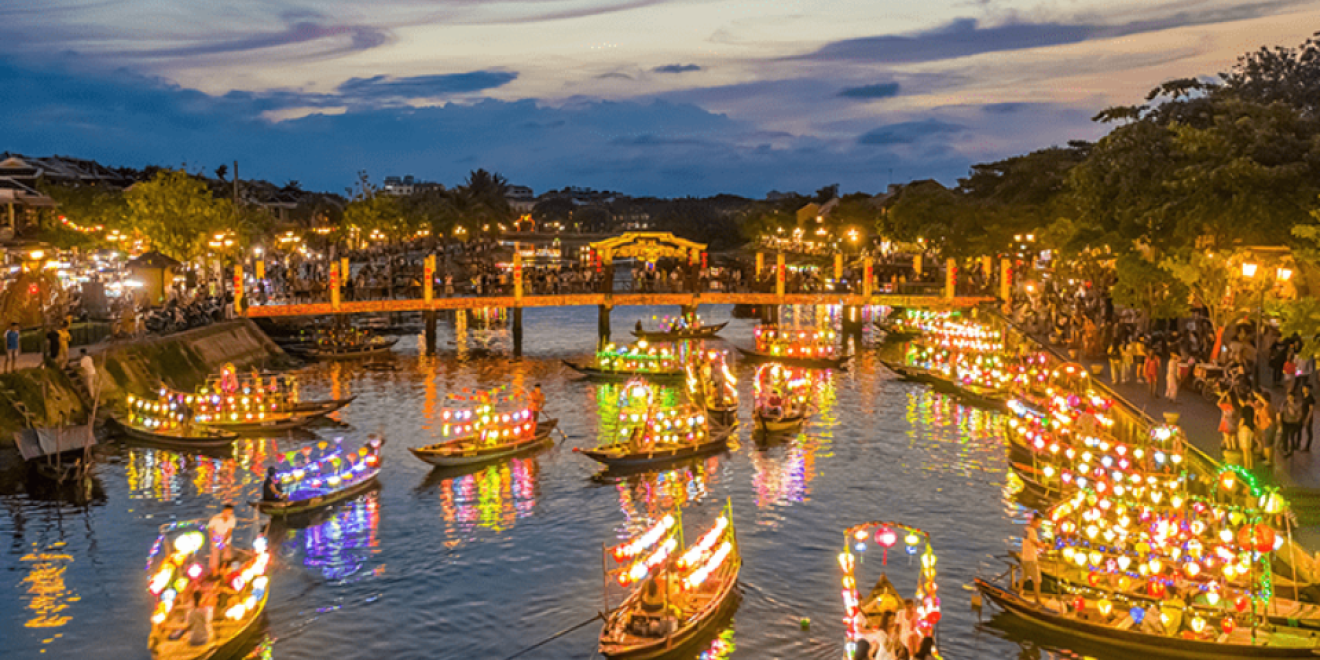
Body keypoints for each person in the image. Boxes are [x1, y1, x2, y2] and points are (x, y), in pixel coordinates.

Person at [206, 504, 237, 571]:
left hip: (225, 535)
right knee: (215, 553)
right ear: (224, 511)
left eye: (231, 512)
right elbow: (210, 529)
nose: (229, 514)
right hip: (216, 535)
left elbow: (229, 531)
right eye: (228, 512)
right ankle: (214, 569)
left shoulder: (232, 519)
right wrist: (213, 539)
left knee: (227, 552)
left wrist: (225, 540)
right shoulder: (216, 518)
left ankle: (225, 566)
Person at [1020, 517, 1043, 603]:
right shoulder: (1032, 531)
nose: (1039, 525)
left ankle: (1018, 593)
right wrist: (1045, 545)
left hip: (1024, 557)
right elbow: (1036, 543)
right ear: (1033, 521)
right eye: (1038, 522)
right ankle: (1037, 599)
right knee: (1037, 580)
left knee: (1022, 578)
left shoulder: (1026, 529)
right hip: (1031, 558)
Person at [1281, 391, 1305, 456]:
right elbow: (1281, 411)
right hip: (1285, 422)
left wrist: (1294, 414)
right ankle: (1285, 450)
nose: (1289, 398)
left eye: (1291, 397)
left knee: (1291, 436)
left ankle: (1291, 450)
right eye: (1288, 397)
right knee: (1285, 436)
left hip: (1292, 423)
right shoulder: (1285, 403)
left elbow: (1300, 415)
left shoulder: (1297, 405)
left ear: (1294, 398)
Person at [1303, 383, 1317, 452]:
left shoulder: (1310, 398)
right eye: (1303, 388)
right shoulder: (1304, 396)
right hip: (1303, 416)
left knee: (1309, 432)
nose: (1304, 389)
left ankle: (1307, 447)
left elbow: (1311, 410)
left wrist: (1307, 419)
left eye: (1305, 388)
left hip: (1307, 417)